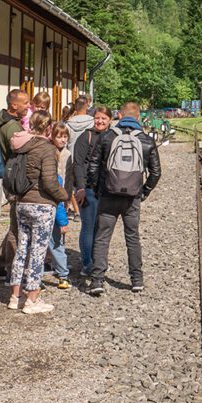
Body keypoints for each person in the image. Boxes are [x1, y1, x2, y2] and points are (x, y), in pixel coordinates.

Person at [85, 101, 161, 296]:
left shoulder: (106, 137)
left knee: (102, 238)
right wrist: (144, 191)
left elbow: (92, 166)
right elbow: (156, 172)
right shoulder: (146, 140)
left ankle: (97, 281)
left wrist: (96, 189)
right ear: (138, 117)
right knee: (132, 238)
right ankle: (136, 280)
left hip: (108, 194)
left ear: (119, 116)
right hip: (132, 197)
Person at [8, 111, 68, 314]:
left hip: (21, 202)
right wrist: (63, 196)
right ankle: (32, 299)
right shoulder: (46, 149)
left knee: (22, 248)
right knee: (38, 252)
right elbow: (50, 182)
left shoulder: (21, 146)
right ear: (48, 128)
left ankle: (15, 296)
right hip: (41, 204)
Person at [0, 89, 30, 281]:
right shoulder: (11, 127)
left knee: (15, 224)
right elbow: (21, 155)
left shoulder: (2, 121)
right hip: (15, 180)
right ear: (14, 105)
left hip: (9, 178)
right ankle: (12, 273)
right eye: (26, 103)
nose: (29, 107)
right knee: (16, 228)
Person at [72, 106, 114, 278]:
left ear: (110, 120)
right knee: (89, 226)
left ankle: (99, 261)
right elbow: (78, 164)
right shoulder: (85, 137)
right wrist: (80, 187)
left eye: (104, 118)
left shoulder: (113, 137)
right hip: (88, 189)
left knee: (102, 228)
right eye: (97, 118)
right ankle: (88, 263)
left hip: (107, 189)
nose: (100, 121)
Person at [44, 123, 72, 289]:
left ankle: (37, 276)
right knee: (56, 244)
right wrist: (63, 222)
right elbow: (58, 203)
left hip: (43, 211)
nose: (62, 139)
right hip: (54, 211)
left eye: (64, 136)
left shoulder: (66, 154)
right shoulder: (56, 180)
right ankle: (63, 275)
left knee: (38, 246)